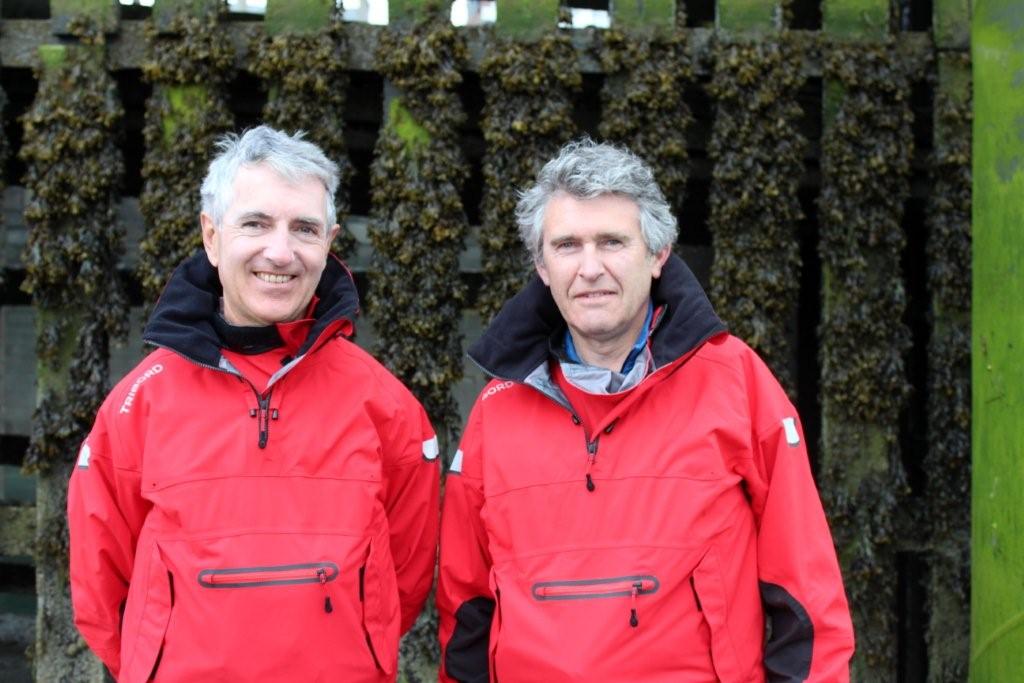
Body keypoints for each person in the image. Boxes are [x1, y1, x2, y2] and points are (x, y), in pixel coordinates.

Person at [437, 139, 855, 682]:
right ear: (542, 266)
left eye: (612, 242)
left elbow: (807, 597)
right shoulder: (497, 410)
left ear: (658, 255)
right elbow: (466, 610)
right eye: (567, 245)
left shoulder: (736, 383)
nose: (590, 268)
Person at [68, 126, 440, 682]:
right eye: (256, 224)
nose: (281, 252)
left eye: (304, 229)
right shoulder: (138, 404)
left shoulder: (386, 406)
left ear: (329, 243)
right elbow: (101, 586)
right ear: (212, 236)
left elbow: (402, 582)